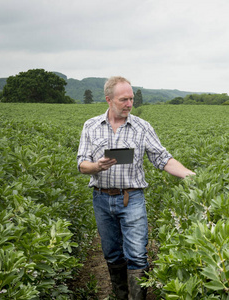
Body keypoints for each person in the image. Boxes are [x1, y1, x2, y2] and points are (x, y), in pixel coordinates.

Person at [77, 76, 195, 299]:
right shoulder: (91, 126)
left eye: (131, 99)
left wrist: (189, 175)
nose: (129, 104)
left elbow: (163, 158)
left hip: (132, 198)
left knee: (137, 256)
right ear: (109, 100)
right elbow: (82, 165)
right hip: (101, 199)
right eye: (124, 100)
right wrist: (97, 166)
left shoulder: (142, 127)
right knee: (112, 254)